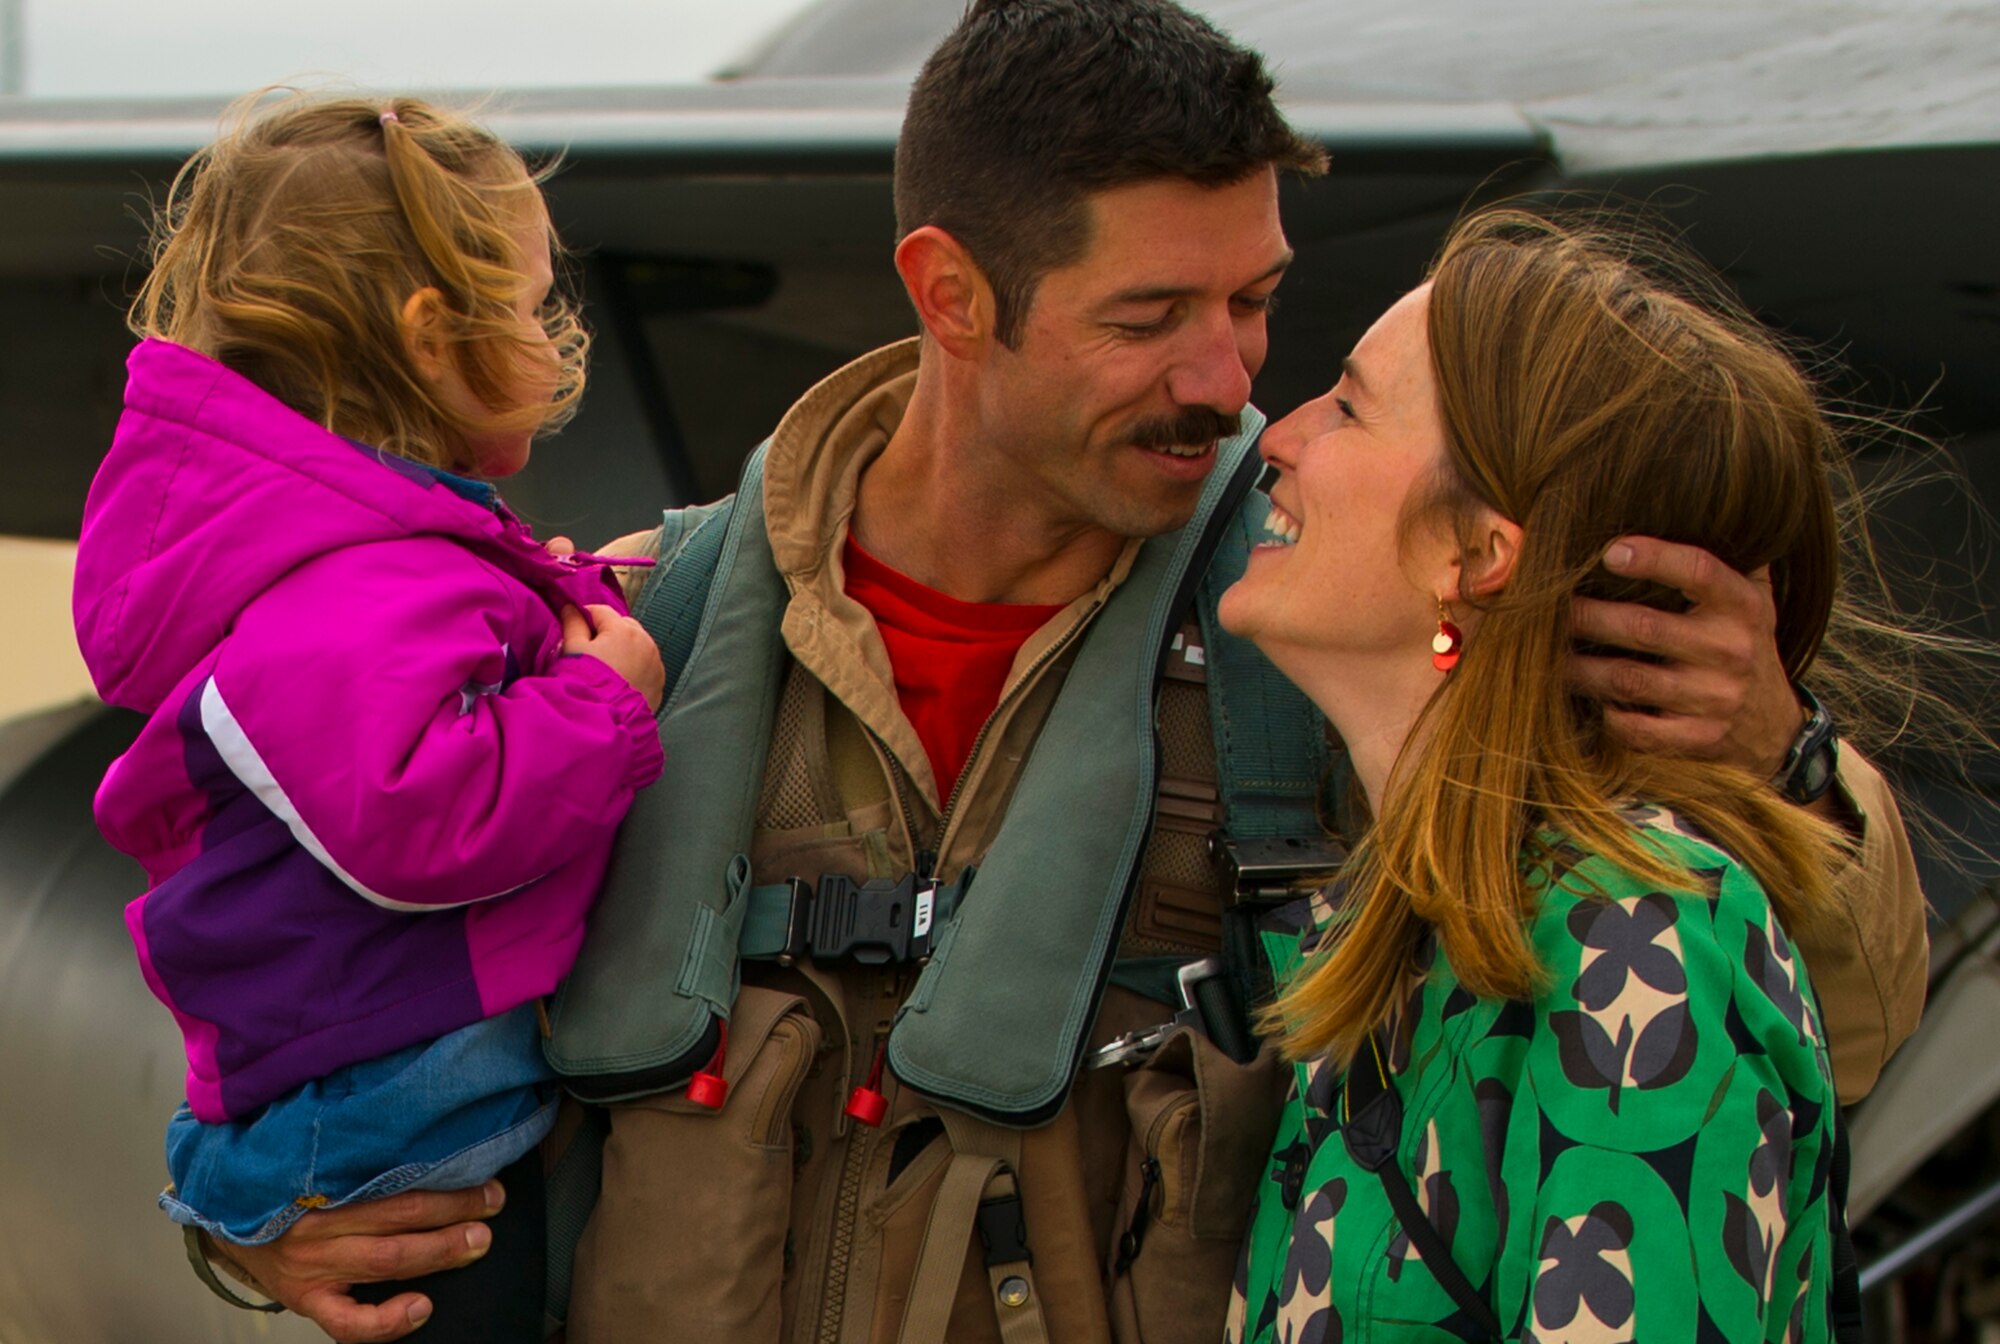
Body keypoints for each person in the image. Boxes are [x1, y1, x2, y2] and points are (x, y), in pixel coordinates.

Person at [196, 4, 1925, 1342]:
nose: (1230, 379)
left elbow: (1788, 1049)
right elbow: (286, 955)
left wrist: (1784, 766)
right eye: (1145, 317)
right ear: (952, 291)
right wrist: (254, 1207)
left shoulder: (1325, 648)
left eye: (1254, 303)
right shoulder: (622, 651)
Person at [1222, 207, 1928, 1341]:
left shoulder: (1632, 938)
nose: (1277, 436)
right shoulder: (1423, 931)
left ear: (1478, 555)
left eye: (1348, 406)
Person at [71, 93, 666, 1342]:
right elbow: (413, 816)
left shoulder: (355, 549)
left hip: (394, 1095)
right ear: (431, 336)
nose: (556, 340)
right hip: (417, 1135)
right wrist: (603, 703)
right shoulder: (351, 577)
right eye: (530, 308)